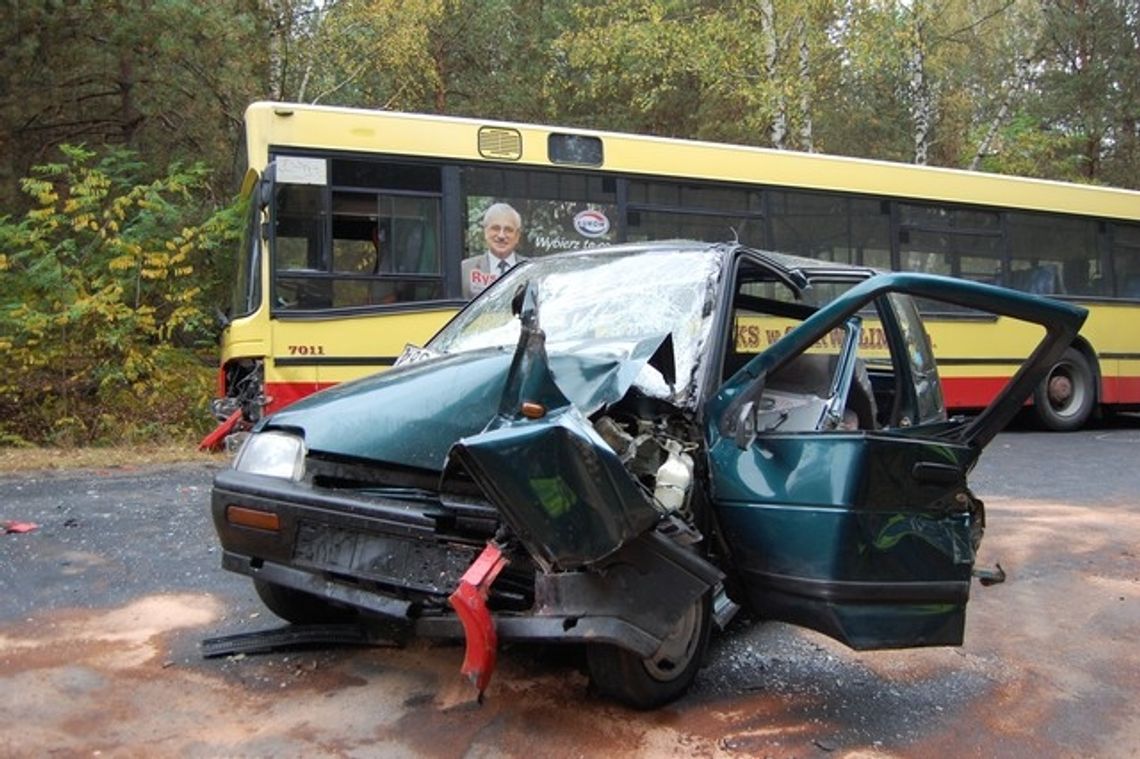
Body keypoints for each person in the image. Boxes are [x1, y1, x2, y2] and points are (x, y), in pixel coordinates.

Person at [462, 202, 525, 298]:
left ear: (517, 236)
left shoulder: (531, 269)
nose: (501, 236)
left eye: (508, 230)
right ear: (485, 232)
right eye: (495, 228)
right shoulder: (465, 270)